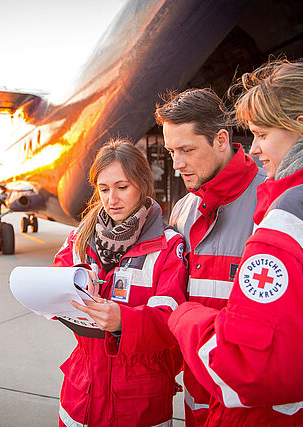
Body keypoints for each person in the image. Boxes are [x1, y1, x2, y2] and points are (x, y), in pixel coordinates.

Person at [168, 59, 303, 425]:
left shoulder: (290, 215)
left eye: (261, 134)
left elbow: (249, 372)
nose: (255, 149)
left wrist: (185, 317)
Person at [52, 139, 188, 426]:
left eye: (122, 187)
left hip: (138, 400)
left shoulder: (168, 245)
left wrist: (122, 322)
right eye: (104, 189)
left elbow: (173, 321)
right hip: (82, 393)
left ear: (142, 185)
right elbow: (54, 286)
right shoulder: (79, 239)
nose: (111, 199)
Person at [155, 88, 266, 426]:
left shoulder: (273, 203)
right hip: (197, 395)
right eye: (172, 151)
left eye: (187, 150)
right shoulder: (183, 211)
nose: (177, 165)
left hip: (250, 403)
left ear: (221, 140)